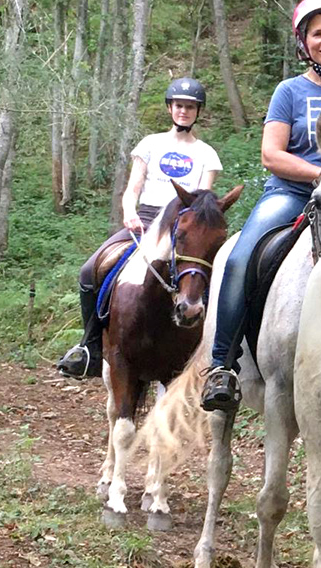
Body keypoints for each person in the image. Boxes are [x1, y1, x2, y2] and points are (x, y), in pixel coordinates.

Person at [199, 0, 321, 412]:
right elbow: (271, 154)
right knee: (242, 258)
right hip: (291, 194)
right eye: (318, 34)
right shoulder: (289, 92)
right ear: (304, 42)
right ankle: (222, 365)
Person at [57, 78, 222, 379]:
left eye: (190, 107)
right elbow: (133, 188)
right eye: (179, 106)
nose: (184, 111)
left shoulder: (207, 154)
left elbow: (203, 202)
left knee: (207, 279)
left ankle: (211, 354)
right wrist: (129, 211)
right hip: (145, 219)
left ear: (198, 111)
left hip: (182, 225)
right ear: (170, 108)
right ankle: (91, 347)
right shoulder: (150, 144)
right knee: (89, 270)